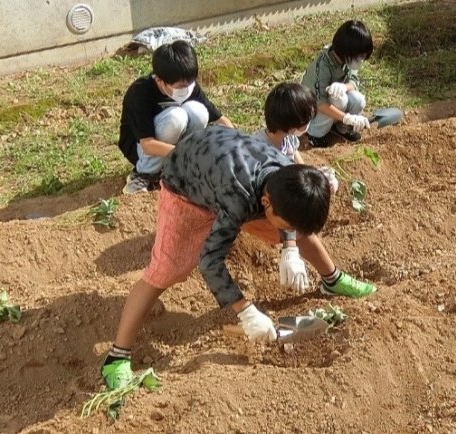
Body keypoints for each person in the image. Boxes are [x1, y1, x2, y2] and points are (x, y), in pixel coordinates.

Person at [101, 125, 377, 389]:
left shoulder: (288, 175)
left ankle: (331, 280)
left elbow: (292, 218)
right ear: (266, 204)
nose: (285, 231)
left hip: (224, 163)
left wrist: (290, 246)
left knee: (297, 229)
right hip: (186, 185)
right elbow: (210, 260)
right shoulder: (239, 198)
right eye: (283, 224)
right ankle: (117, 356)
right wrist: (246, 312)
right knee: (168, 270)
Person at [117, 40, 234, 194]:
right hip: (140, 148)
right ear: (160, 80)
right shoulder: (140, 92)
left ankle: (179, 169)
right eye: (180, 87)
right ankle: (143, 175)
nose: (186, 89)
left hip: (175, 150)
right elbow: (147, 144)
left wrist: (237, 144)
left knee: (198, 111)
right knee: (176, 117)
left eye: (190, 83)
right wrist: (186, 153)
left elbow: (219, 118)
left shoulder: (188, 85)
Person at [252, 82, 339, 194]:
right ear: (292, 123)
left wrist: (310, 173)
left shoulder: (287, 136)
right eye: (307, 119)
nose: (309, 123)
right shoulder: (260, 152)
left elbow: (294, 152)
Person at [301, 19, 374, 148]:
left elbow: (354, 81)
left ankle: (342, 128)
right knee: (339, 100)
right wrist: (347, 117)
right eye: (360, 56)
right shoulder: (323, 65)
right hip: (312, 110)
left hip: (335, 104)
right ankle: (315, 134)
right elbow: (320, 103)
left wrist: (344, 86)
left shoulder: (347, 59)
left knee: (358, 99)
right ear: (348, 51)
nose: (361, 61)